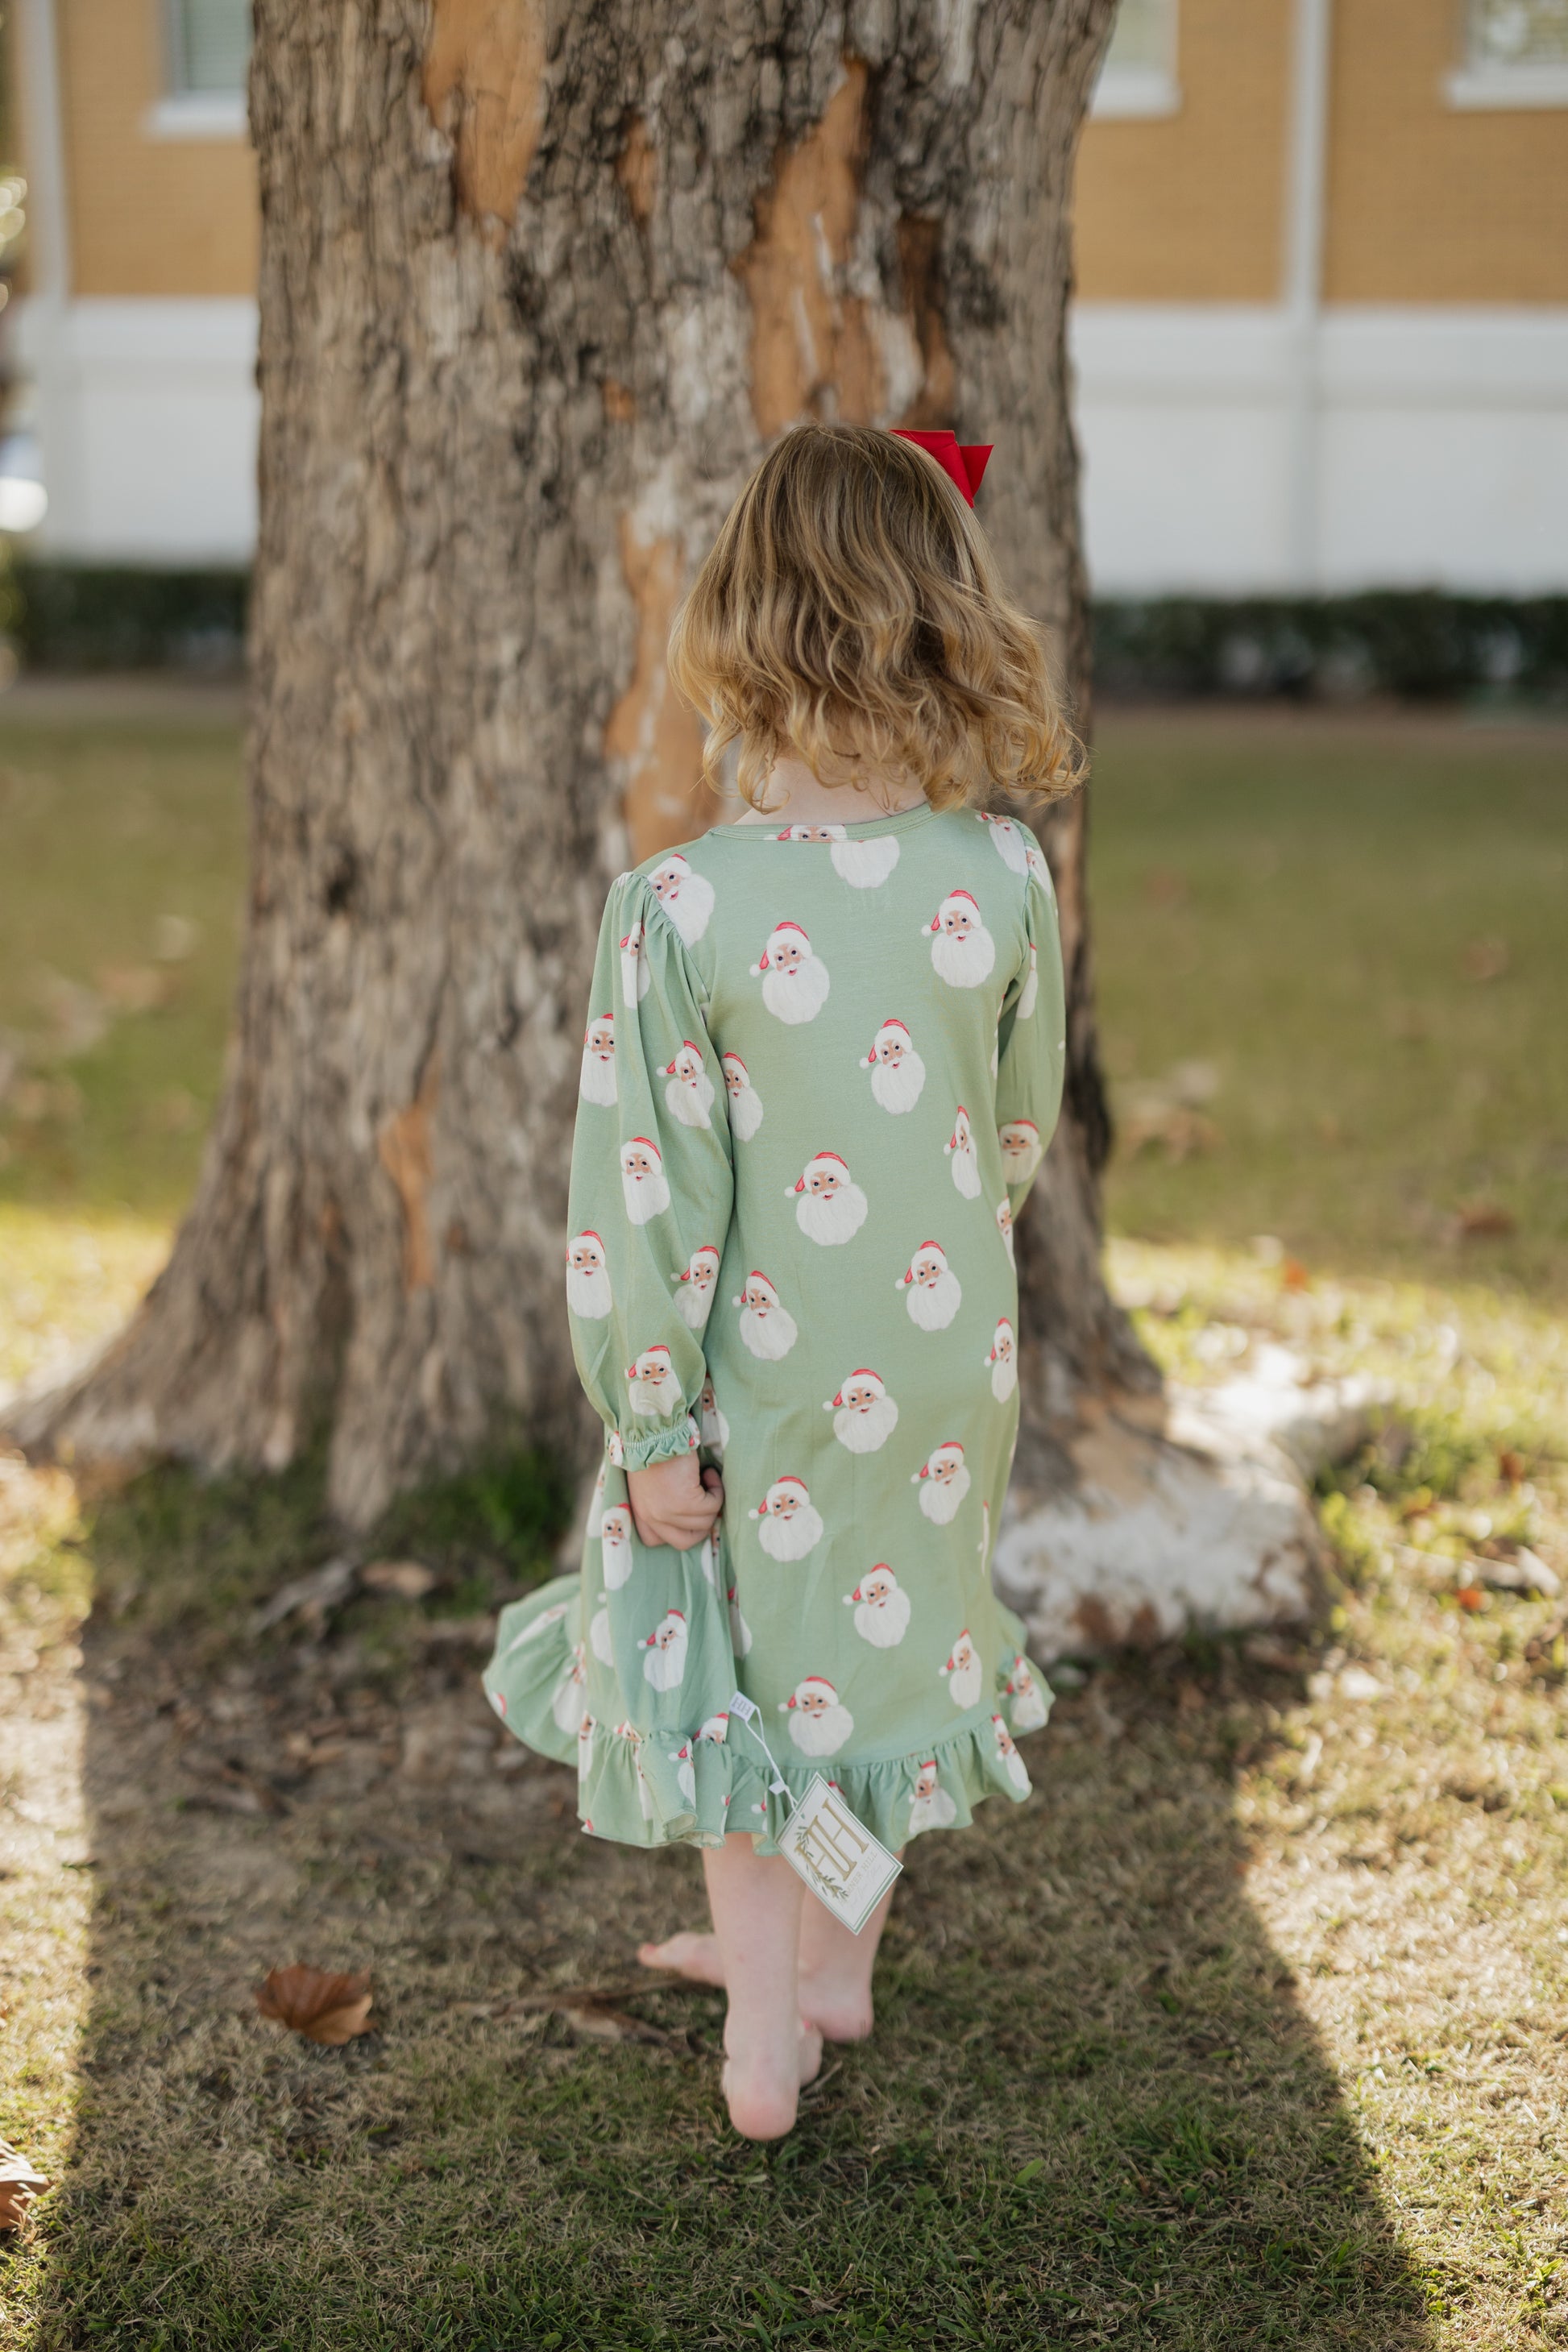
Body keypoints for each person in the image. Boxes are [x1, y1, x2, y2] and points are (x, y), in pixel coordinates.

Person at [484, 421, 1078, 2138]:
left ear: (743, 627)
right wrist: (932, 1262)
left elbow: (644, 1193)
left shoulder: (682, 906)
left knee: (733, 1690)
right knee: (884, 1669)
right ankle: (835, 1970)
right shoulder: (1003, 872)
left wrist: (650, 1416)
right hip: (947, 1356)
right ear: (944, 620)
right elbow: (1015, 1127)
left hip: (763, 1377)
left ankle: (766, 2035)